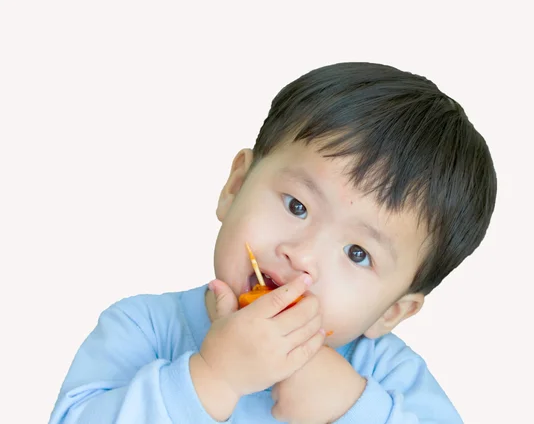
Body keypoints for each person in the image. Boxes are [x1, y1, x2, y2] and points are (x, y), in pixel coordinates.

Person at [49, 62, 497, 423]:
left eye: (357, 253)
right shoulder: (143, 329)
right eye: (297, 206)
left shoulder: (388, 379)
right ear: (235, 186)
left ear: (391, 311)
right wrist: (213, 379)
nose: (301, 256)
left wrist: (352, 409)